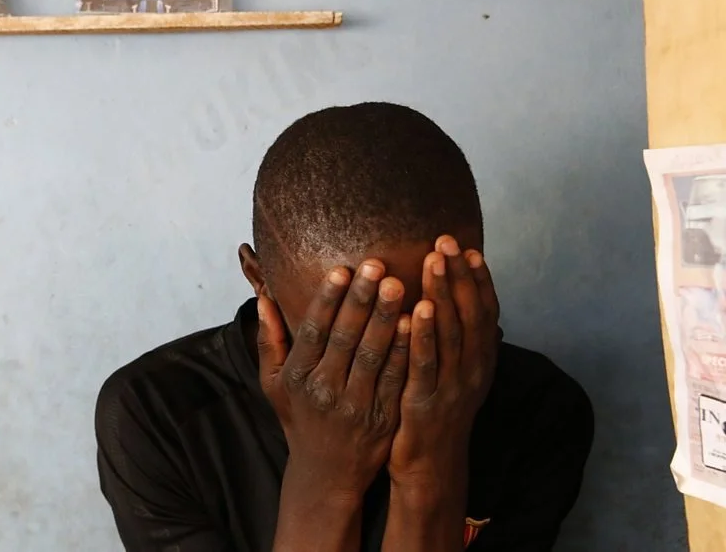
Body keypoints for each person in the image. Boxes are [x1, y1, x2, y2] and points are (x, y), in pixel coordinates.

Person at [95, 102, 595, 551]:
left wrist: (428, 469)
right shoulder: (159, 413)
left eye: (427, 325)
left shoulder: (542, 410)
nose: (393, 363)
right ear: (260, 280)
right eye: (346, 336)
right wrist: (326, 474)